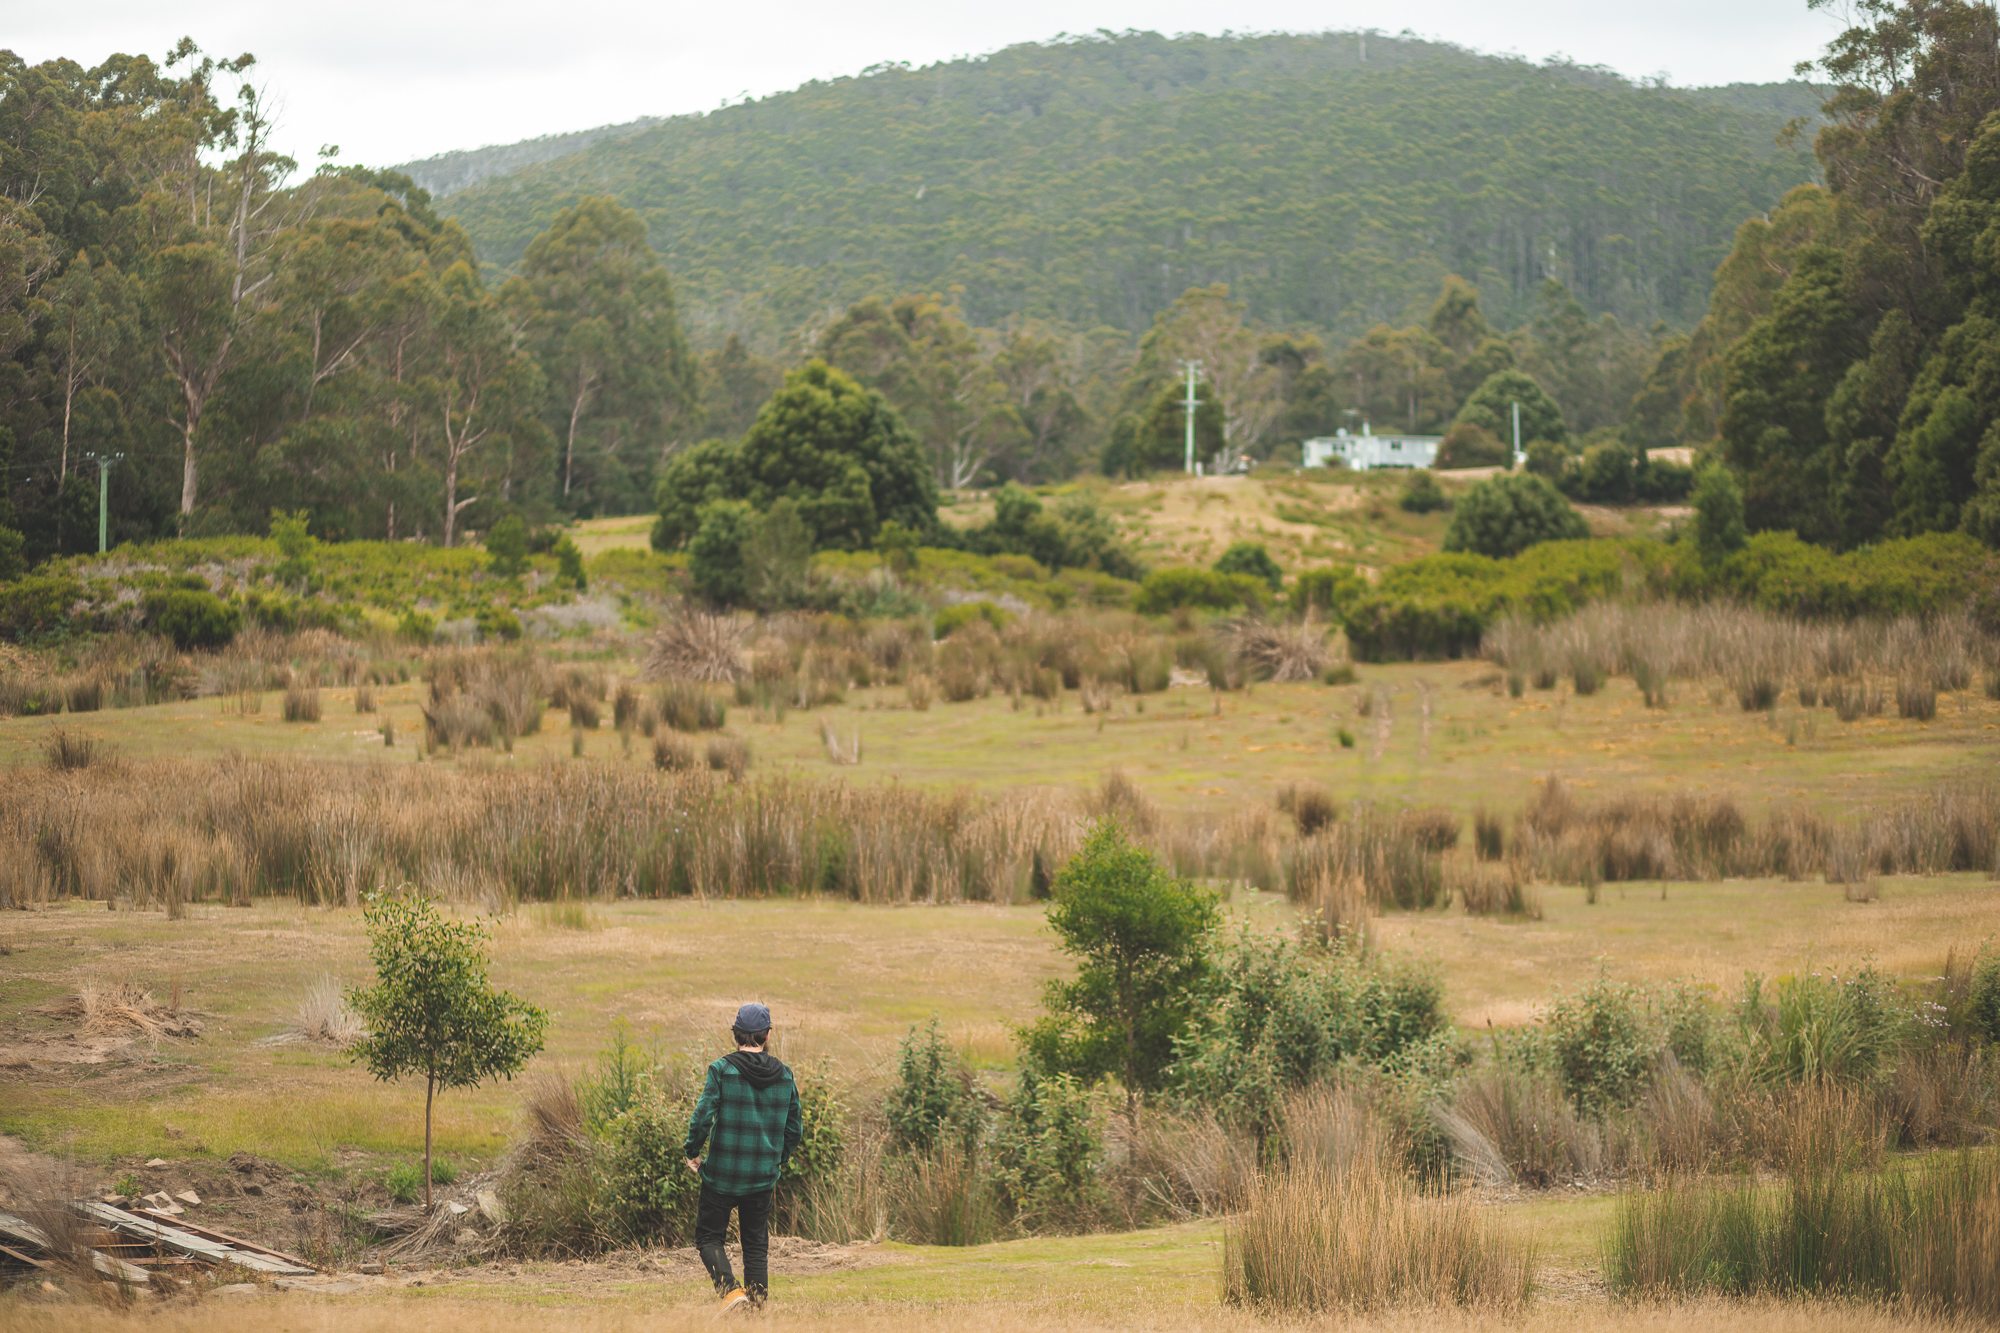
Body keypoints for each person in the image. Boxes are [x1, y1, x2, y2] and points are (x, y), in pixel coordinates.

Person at [683, 1001, 803, 1314]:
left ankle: (730, 1292)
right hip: (761, 1177)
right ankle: (757, 1306)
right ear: (766, 1034)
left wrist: (692, 1151)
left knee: (708, 1237)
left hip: (722, 1174)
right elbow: (794, 1130)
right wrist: (775, 1161)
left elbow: (702, 1116)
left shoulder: (722, 1070)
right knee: (756, 1244)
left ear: (736, 1033)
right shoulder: (785, 1076)